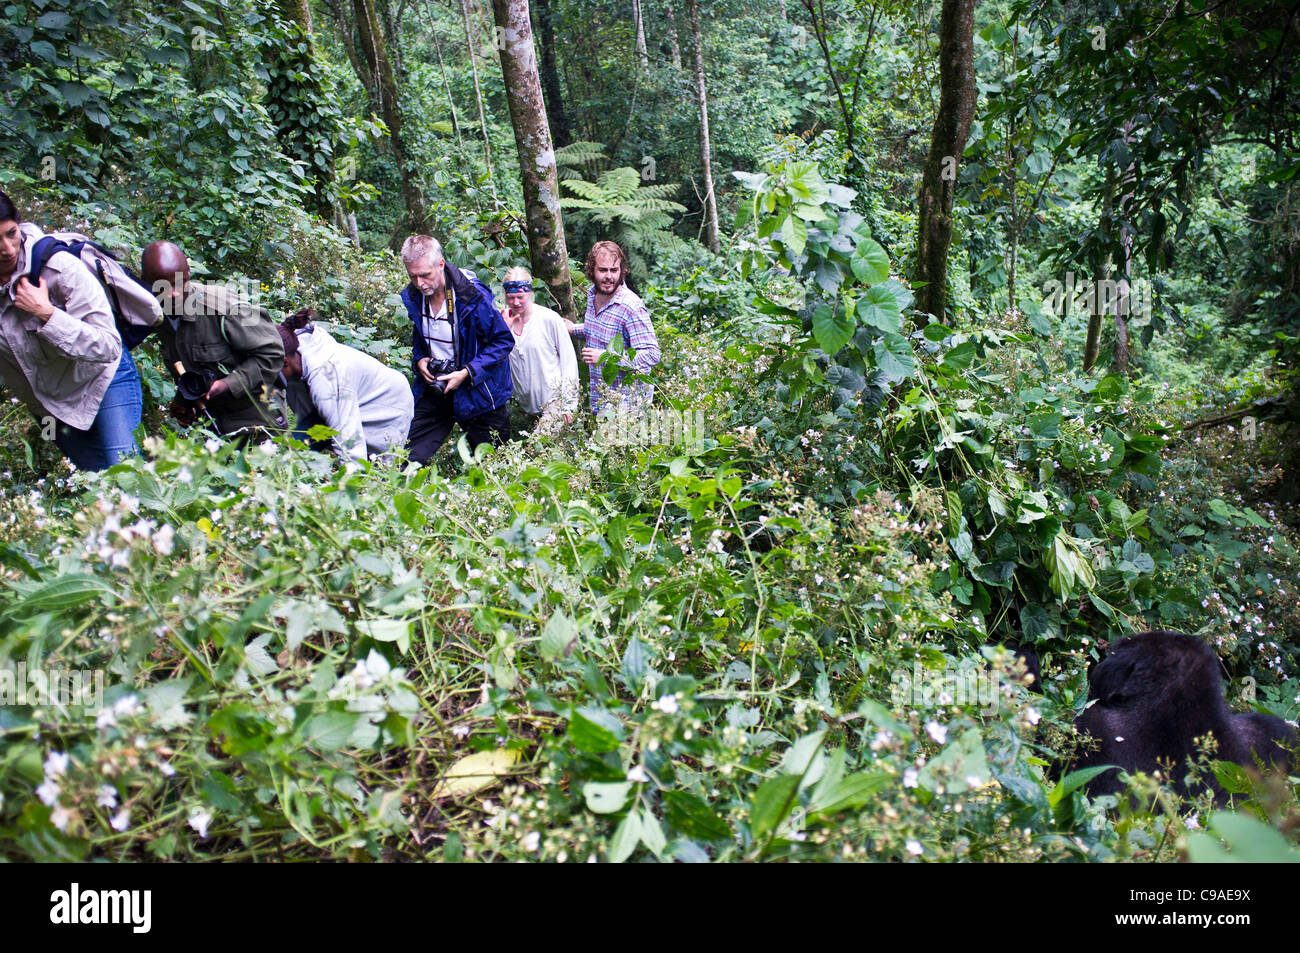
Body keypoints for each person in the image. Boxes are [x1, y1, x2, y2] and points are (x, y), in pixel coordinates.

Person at [0, 190, 141, 470]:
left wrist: (47, 314)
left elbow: (107, 345)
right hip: (51, 405)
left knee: (126, 478)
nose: (7, 249)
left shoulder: (59, 267)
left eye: (11, 233)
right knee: (97, 486)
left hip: (103, 380)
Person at [140, 241, 285, 440]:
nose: (172, 292)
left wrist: (226, 385)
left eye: (178, 283)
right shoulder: (159, 315)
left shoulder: (224, 308)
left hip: (257, 418)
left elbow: (273, 354)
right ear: (146, 282)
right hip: (214, 425)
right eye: (162, 286)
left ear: (188, 273)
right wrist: (186, 400)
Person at [400, 235, 514, 464]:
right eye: (413, 276)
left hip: (478, 392)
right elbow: (420, 335)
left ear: (440, 264)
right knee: (405, 456)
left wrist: (466, 372)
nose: (420, 283)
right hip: (437, 386)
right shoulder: (414, 297)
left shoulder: (472, 296)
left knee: (495, 465)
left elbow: (503, 341)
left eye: (425, 275)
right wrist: (420, 357)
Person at [277, 308, 414, 461]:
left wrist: (350, 479)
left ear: (284, 362)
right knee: (292, 453)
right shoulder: (294, 354)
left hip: (388, 403)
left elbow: (350, 445)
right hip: (350, 395)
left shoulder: (326, 375)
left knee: (375, 467)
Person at [574, 240, 660, 413]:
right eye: (602, 270)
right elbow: (601, 330)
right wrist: (573, 328)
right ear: (592, 271)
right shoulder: (592, 296)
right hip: (601, 400)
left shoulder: (631, 307)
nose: (609, 276)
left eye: (614, 270)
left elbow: (652, 354)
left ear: (622, 271)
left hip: (628, 407)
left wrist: (606, 357)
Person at [501, 266, 579, 437]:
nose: (515, 302)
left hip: (555, 402)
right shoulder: (502, 323)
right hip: (525, 408)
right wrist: (503, 332)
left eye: (520, 297)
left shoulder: (549, 319)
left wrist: (569, 406)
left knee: (536, 449)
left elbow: (569, 361)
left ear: (529, 293)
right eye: (511, 297)